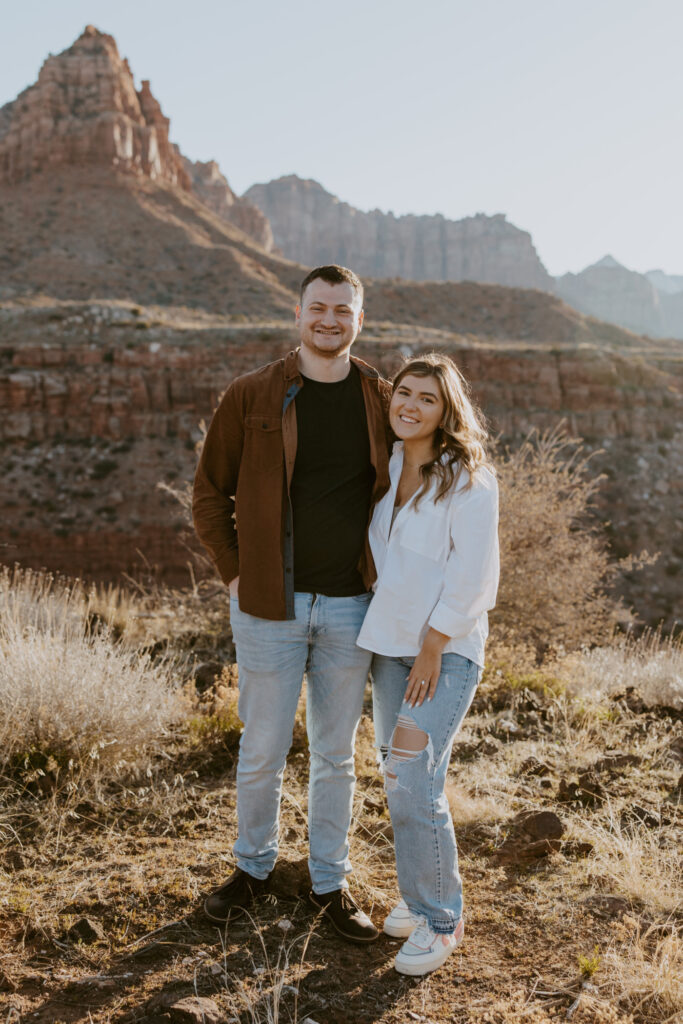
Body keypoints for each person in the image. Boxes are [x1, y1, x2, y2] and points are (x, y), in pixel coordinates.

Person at [192, 264, 391, 943]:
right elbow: (207, 495)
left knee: (336, 755)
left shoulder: (379, 399)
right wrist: (233, 575)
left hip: (351, 609)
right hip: (267, 607)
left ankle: (328, 884)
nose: (329, 319)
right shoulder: (252, 395)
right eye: (318, 307)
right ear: (297, 313)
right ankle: (252, 872)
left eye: (342, 309)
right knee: (263, 748)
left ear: (358, 318)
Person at [356, 352, 499, 975]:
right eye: (404, 393)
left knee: (413, 779)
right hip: (391, 652)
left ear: (447, 411)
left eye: (428, 398)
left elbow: (475, 577)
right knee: (402, 779)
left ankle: (443, 920)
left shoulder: (469, 478)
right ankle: (418, 901)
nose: (410, 405)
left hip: (441, 656)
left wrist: (435, 646)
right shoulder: (387, 467)